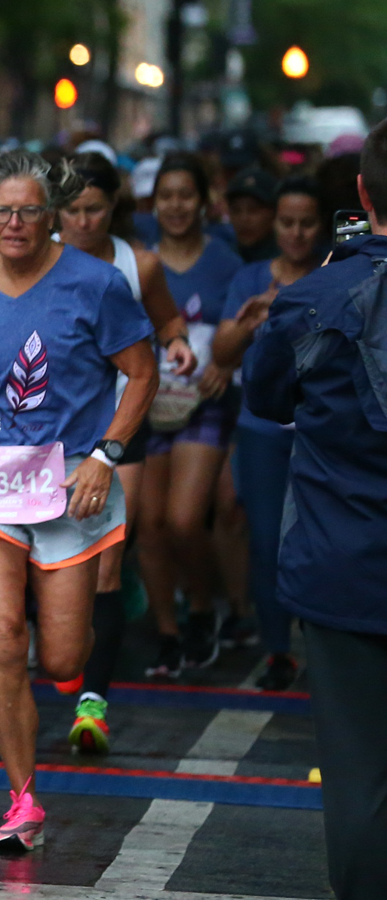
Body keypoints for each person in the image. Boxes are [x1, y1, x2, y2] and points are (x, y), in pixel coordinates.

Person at [0, 150, 155, 851]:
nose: (15, 224)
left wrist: (107, 455)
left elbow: (141, 373)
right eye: (3, 212)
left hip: (74, 477)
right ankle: (22, 799)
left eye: (30, 212)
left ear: (53, 218)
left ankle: (73, 663)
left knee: (62, 659)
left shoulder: (97, 284)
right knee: (3, 636)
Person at [242, 120, 387, 899]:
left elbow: (266, 397)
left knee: (359, 777)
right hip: (343, 565)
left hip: (342, 564)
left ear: (362, 194)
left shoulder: (314, 296)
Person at [56, 151, 198, 751]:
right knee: (57, 563)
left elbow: (167, 322)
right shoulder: (36, 260)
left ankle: (93, 703)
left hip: (121, 433)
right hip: (50, 436)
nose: (83, 221)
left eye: (95, 209)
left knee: (107, 560)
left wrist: (180, 344)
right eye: (72, 210)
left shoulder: (137, 263)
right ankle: (58, 654)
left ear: (114, 207)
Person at [213, 177, 322, 691]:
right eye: (287, 223)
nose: (297, 233)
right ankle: (277, 649)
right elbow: (221, 352)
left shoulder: (335, 277)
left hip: (321, 431)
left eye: (307, 223)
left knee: (320, 542)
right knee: (265, 540)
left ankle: (323, 646)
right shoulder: (250, 277)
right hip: (261, 431)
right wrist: (257, 315)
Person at [138, 152, 245, 676]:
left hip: (206, 404)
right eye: (166, 196)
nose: (176, 205)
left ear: (204, 202)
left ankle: (202, 609)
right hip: (149, 404)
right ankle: (166, 630)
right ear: (152, 203)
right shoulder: (140, 263)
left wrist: (227, 362)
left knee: (184, 519)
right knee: (149, 524)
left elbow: (244, 328)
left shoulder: (227, 261)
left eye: (186, 195)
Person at [224, 168, 281, 263]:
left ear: (274, 213)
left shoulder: (286, 262)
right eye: (236, 210)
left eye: (253, 210)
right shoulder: (225, 258)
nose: (244, 219)